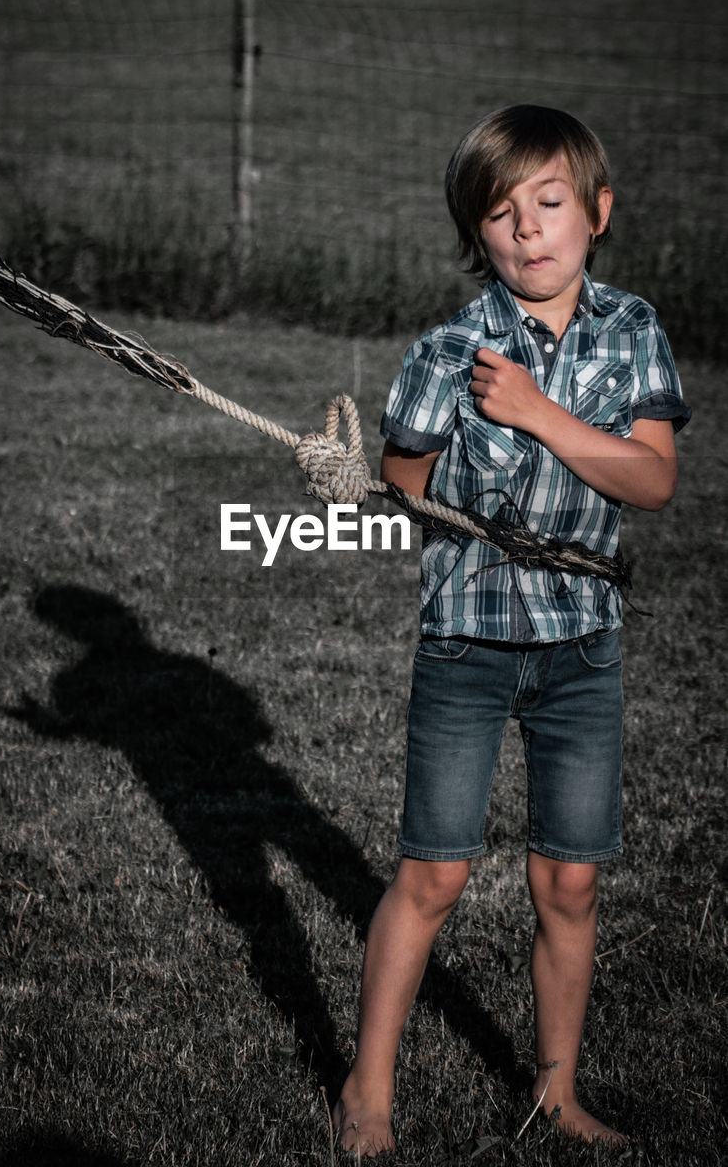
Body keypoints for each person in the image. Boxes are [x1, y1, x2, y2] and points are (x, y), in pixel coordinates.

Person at [333, 104, 690, 1156]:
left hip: (584, 647)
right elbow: (400, 488)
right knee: (434, 872)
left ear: (596, 213)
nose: (528, 230)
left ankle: (555, 1092)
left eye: (548, 204)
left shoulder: (633, 331)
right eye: (501, 213)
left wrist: (537, 412)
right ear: (473, 233)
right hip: (468, 644)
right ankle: (367, 1090)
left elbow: (654, 479)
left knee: (568, 879)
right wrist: (354, 479)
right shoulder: (446, 350)